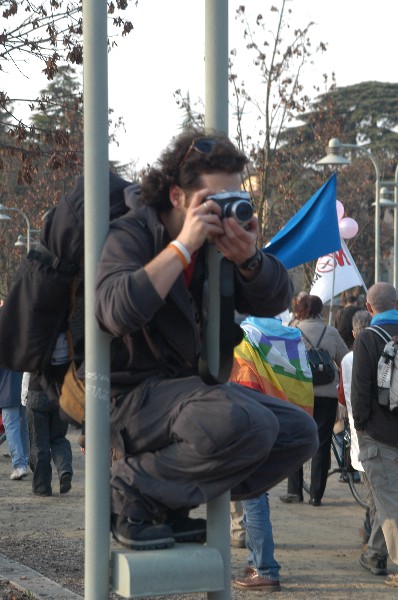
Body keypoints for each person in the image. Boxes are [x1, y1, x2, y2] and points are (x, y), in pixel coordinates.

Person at [94, 127, 318, 551]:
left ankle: (165, 502)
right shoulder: (135, 233)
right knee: (248, 422)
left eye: (234, 201)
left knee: (298, 432)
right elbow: (112, 311)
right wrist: (182, 247)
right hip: (127, 397)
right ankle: (130, 490)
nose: (224, 213)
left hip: (186, 392)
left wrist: (249, 257)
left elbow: (274, 300)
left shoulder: (219, 247)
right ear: (178, 197)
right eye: (214, 203)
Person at [229, 315, 314, 591]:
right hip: (285, 419)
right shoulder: (288, 336)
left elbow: (242, 386)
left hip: (254, 423)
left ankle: (265, 568)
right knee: (257, 495)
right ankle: (257, 562)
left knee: (252, 496)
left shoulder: (246, 337)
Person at [280, 294, 348, 506]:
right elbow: (345, 359)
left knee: (295, 440)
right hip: (326, 395)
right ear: (320, 311)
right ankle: (316, 495)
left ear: (300, 310)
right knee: (322, 442)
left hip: (298, 395)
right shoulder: (331, 332)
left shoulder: (291, 331)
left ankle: (294, 492)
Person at [351, 282, 398, 588]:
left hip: (379, 434)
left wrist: (361, 426)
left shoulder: (368, 338)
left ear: (369, 309)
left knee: (390, 505)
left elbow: (360, 391)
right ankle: (376, 554)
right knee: (388, 501)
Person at [339, 309, 388, 572]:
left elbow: (350, 395)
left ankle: (376, 551)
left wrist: (357, 424)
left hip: (368, 432)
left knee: (377, 496)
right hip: (381, 428)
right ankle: (375, 546)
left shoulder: (352, 355)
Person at [26, 372, 73, 496]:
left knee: (39, 443)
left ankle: (42, 487)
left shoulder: (35, 352)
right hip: (60, 392)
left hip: (36, 391)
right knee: (59, 438)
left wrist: (24, 398)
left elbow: (25, 370)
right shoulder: (66, 352)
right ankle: (65, 471)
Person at [0, 368, 29, 480]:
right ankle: (25, 460)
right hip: (24, 388)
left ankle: (19, 465)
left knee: (11, 426)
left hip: (7, 389)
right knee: (23, 426)